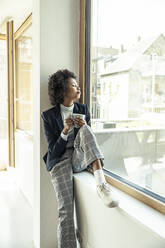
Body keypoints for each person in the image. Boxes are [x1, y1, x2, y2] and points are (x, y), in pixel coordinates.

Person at [41, 69, 118, 248]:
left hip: (78, 155)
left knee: (86, 130)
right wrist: (65, 131)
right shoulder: (49, 116)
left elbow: (88, 140)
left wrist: (84, 127)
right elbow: (53, 151)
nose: (78, 87)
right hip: (60, 160)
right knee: (66, 211)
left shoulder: (83, 109)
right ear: (62, 90)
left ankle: (102, 185)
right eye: (73, 85)